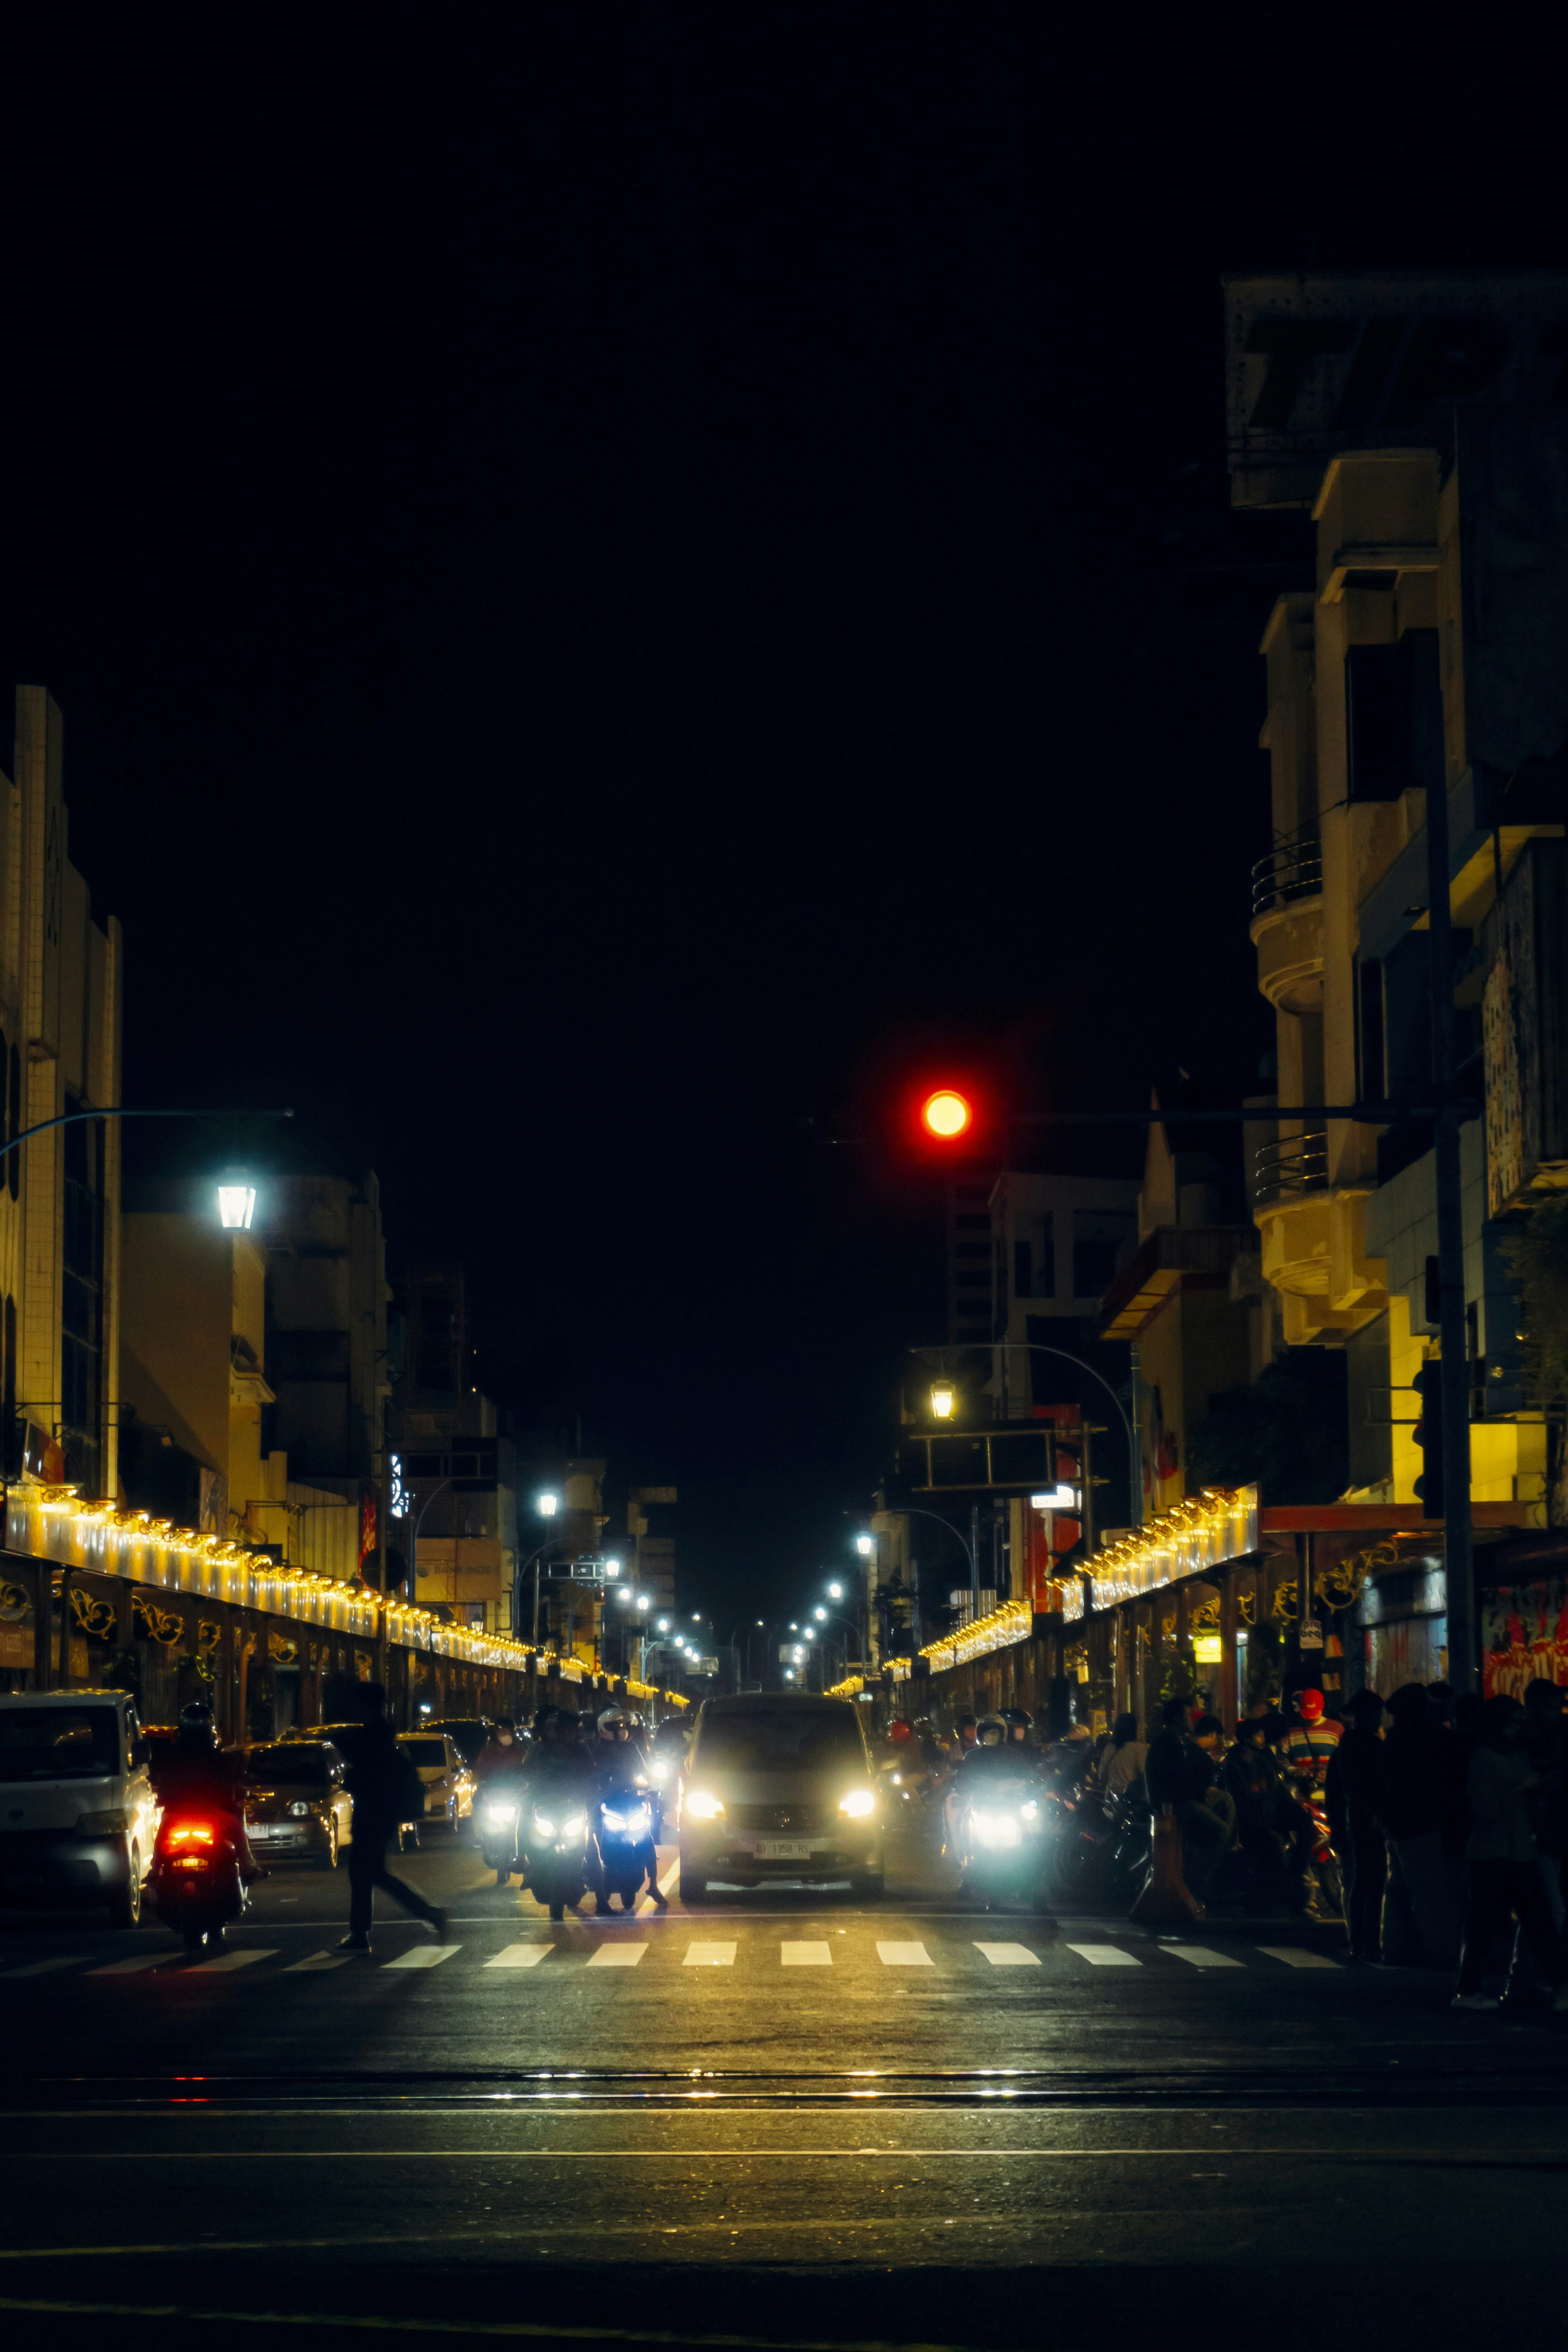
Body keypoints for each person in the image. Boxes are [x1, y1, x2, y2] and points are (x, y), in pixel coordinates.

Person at [1453, 1695, 1568, 2012]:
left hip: (1519, 1850)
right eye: (1513, 1722)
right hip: (1492, 1853)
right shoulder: (1484, 1757)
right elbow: (1484, 1809)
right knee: (1484, 1925)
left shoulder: (1516, 1753)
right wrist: (1522, 1789)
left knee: (1539, 1922)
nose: (1518, 1728)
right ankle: (1469, 1990)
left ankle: (1560, 1986)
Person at [333, 1684, 448, 1955]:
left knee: (368, 1872)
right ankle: (363, 1931)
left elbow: (365, 1775)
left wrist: (352, 1780)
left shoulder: (372, 1737)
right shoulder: (380, 1734)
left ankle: (426, 1915)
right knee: (369, 1873)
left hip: (373, 1812)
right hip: (380, 1813)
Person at [1375, 1681, 1466, 1967]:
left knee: (1398, 1892)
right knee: (1432, 1897)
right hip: (1424, 1826)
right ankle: (1442, 1952)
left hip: (1397, 1827)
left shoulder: (1393, 1741)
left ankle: (1394, 1947)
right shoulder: (1432, 1741)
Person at [160, 1701, 261, 1881]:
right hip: (212, 1813)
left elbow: (162, 1783)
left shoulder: (171, 1757)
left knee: (161, 1834)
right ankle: (248, 1866)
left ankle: (153, 1870)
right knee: (237, 1828)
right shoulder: (217, 1758)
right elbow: (231, 1782)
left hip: (175, 1814)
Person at [1145, 1697, 1236, 1896]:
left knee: (1226, 1800)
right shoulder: (1168, 1742)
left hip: (1184, 1797)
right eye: (1188, 1715)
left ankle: (1227, 1847)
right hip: (1174, 1804)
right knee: (1221, 1830)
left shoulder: (1181, 1741)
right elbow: (1177, 1781)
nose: (1193, 1719)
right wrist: (1201, 1791)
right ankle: (1198, 1879)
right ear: (1177, 1717)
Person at [1325, 1688, 1386, 1960]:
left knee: (1362, 1883)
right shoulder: (1363, 1746)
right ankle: (1366, 1942)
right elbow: (1353, 1791)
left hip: (1355, 1823)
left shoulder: (1347, 1747)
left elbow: (1334, 1795)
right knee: (1369, 1883)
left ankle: (1361, 1941)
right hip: (1364, 1824)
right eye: (1377, 1714)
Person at [1279, 1686, 1341, 1790]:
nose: (1310, 1719)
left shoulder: (1337, 1729)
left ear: (1323, 1706)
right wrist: (1294, 1770)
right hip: (1300, 1789)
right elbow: (1281, 1759)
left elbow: (1344, 1760)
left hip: (1330, 1789)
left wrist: (1330, 1773)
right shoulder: (1291, 1732)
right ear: (1300, 1707)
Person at [1098, 1712, 1149, 1802]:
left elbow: (1102, 1776)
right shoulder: (1138, 1748)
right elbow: (1146, 1774)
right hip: (1130, 1800)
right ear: (1134, 1729)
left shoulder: (1109, 1748)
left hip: (1110, 1798)